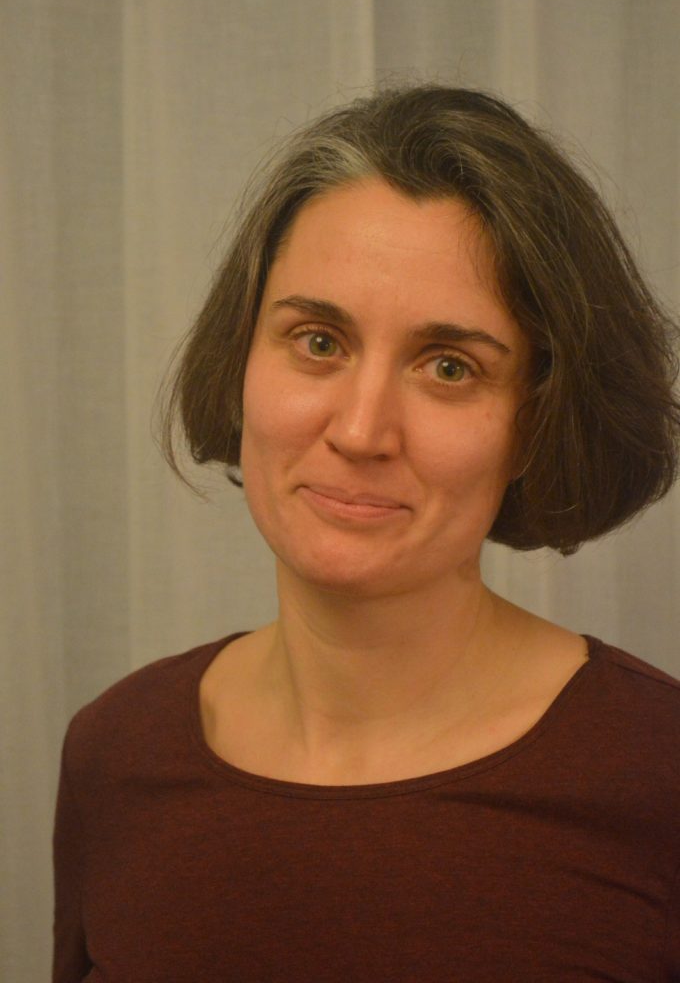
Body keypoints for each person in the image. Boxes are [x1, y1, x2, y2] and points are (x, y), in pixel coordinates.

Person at [53, 83, 680, 982]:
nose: (360, 430)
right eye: (318, 342)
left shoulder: (658, 778)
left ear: (539, 422)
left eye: (449, 366)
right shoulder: (114, 752)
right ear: (240, 362)